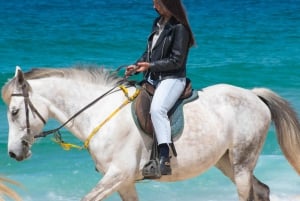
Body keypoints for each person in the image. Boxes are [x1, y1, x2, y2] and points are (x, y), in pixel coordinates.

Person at [125, 0, 195, 175]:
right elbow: (149, 52)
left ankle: (164, 159)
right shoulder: (157, 23)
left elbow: (176, 61)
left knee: (157, 109)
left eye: (157, 2)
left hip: (172, 79)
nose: (153, 6)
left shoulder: (180, 28)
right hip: (153, 77)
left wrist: (150, 66)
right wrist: (137, 66)